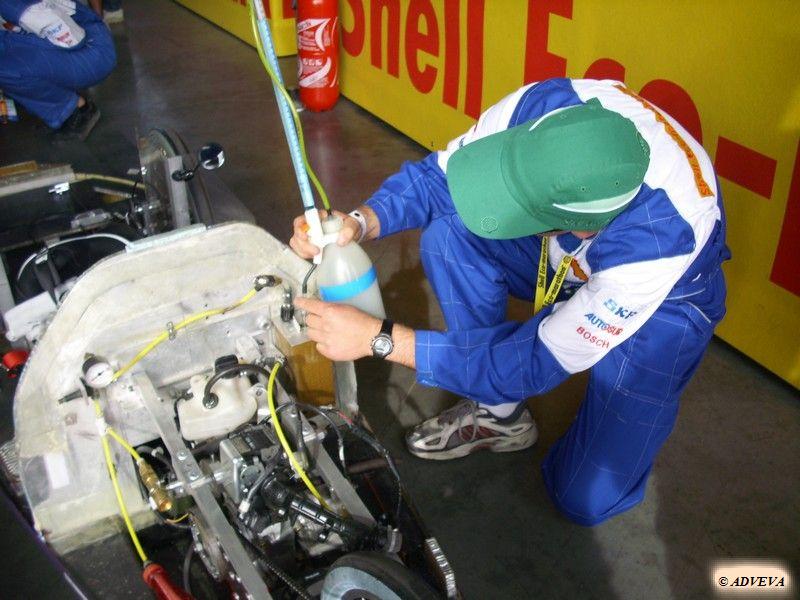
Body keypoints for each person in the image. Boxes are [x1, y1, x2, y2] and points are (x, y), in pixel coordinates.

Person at [291, 78, 729, 526]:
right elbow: (439, 178)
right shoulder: (546, 104)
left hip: (667, 300)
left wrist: (379, 339)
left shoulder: (662, 241)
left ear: (576, 229)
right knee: (451, 233)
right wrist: (360, 223)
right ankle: (499, 416)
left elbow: (532, 361)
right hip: (578, 249)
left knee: (584, 498)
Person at [0, 0, 116, 139]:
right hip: (87, 36)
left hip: (93, 54)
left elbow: (74, 41)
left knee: (7, 67)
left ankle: (77, 109)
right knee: (11, 49)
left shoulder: (19, 8)